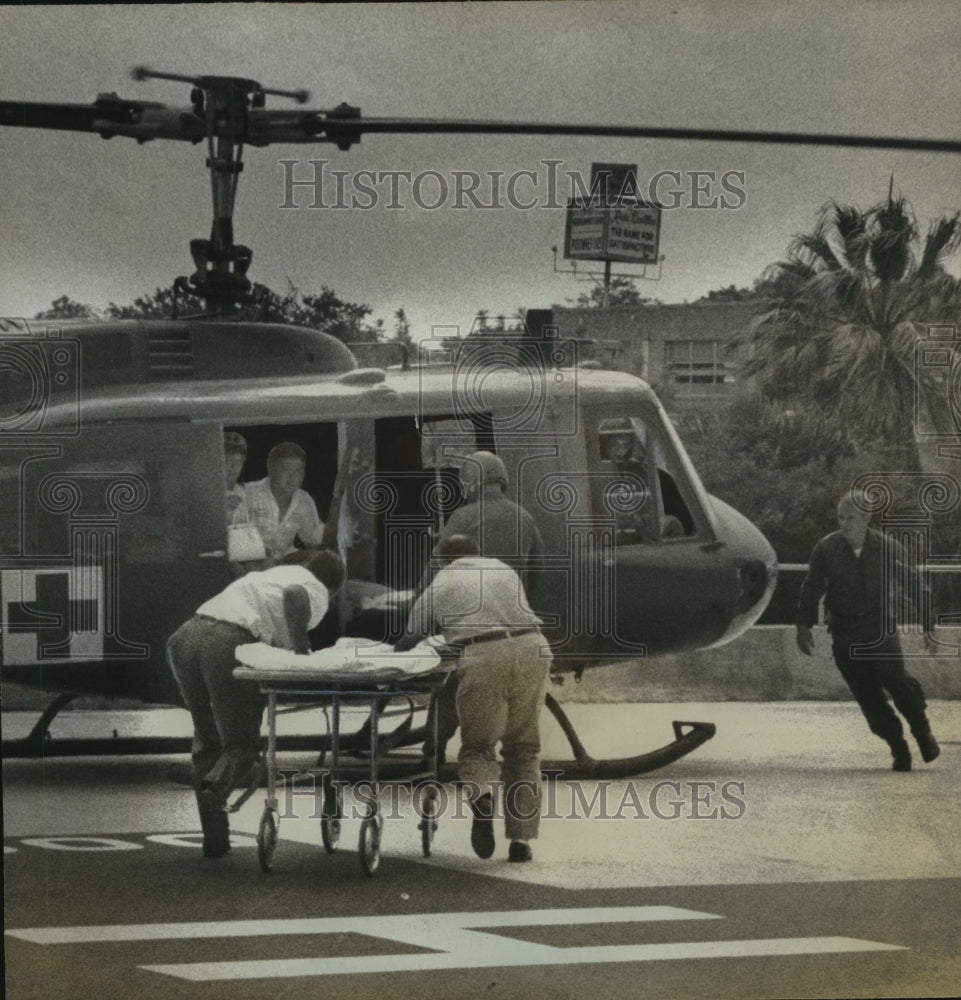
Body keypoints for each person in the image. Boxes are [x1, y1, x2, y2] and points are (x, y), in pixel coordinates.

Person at [166, 548, 345, 857]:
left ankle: (216, 840)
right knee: (242, 746)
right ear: (334, 585)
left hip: (185, 638)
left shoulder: (268, 575)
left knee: (208, 741)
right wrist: (302, 654)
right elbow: (295, 595)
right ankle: (217, 789)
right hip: (224, 643)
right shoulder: (313, 586)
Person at [398, 535, 551, 863]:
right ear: (477, 553)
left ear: (443, 559)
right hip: (533, 647)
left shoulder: (444, 578)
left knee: (479, 746)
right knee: (524, 748)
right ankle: (521, 841)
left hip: (483, 653)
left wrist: (395, 654)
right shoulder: (503, 569)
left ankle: (482, 796)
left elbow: (413, 631)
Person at [796, 492, 940, 771]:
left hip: (879, 627)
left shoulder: (888, 548)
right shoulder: (826, 548)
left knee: (896, 681)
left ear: (866, 518)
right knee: (867, 693)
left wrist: (928, 624)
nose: (844, 523)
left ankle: (923, 733)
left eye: (851, 518)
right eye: (840, 517)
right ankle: (898, 748)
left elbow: (913, 584)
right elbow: (811, 586)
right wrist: (803, 625)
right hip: (844, 629)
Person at [421, 451, 544, 764]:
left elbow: (436, 567)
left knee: (449, 687)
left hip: (473, 629)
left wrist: (419, 602)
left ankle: (431, 754)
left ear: (473, 483)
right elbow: (538, 568)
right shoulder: (525, 517)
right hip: (517, 629)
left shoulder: (464, 517)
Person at [245, 442, 324, 562]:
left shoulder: (304, 500)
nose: (292, 478)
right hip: (249, 567)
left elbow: (314, 540)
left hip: (283, 569)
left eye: (298, 472)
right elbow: (231, 544)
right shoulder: (248, 494)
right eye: (286, 469)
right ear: (271, 469)